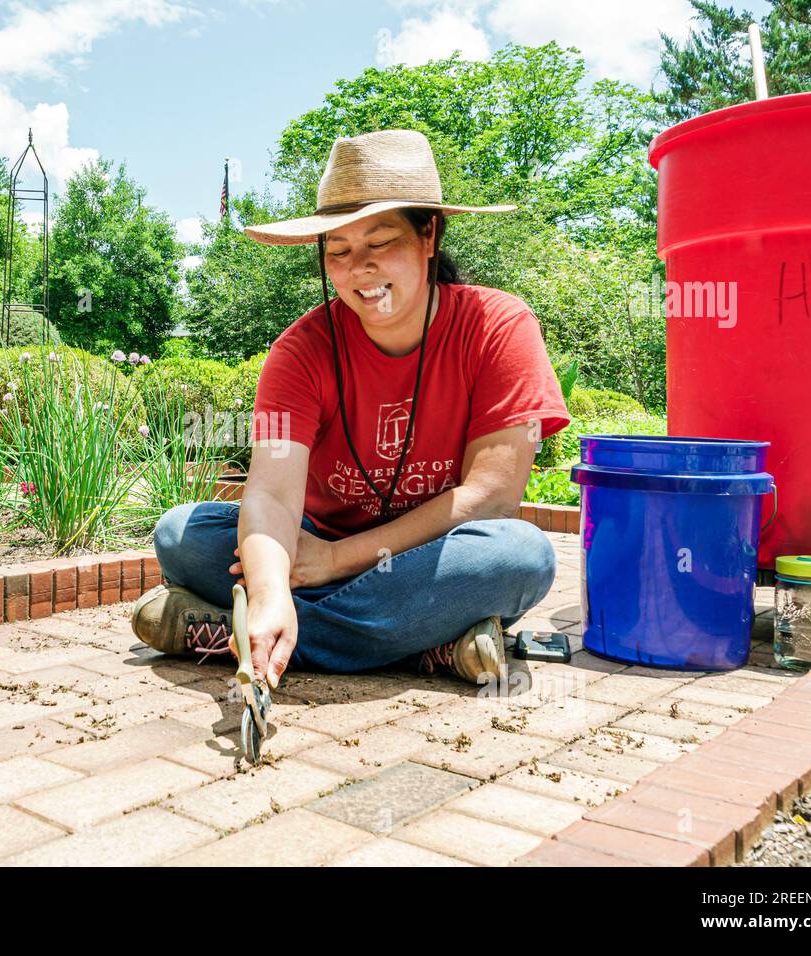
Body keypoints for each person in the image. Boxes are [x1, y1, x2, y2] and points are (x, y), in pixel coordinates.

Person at [131, 128, 570, 690]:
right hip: (313, 537)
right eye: (337, 250)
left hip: (428, 551)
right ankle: (425, 645)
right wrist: (268, 592)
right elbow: (269, 492)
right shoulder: (298, 350)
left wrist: (337, 562)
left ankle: (227, 631)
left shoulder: (499, 325)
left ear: (429, 234)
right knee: (181, 536)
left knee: (520, 556)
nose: (358, 267)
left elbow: (492, 495)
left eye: (380, 241)